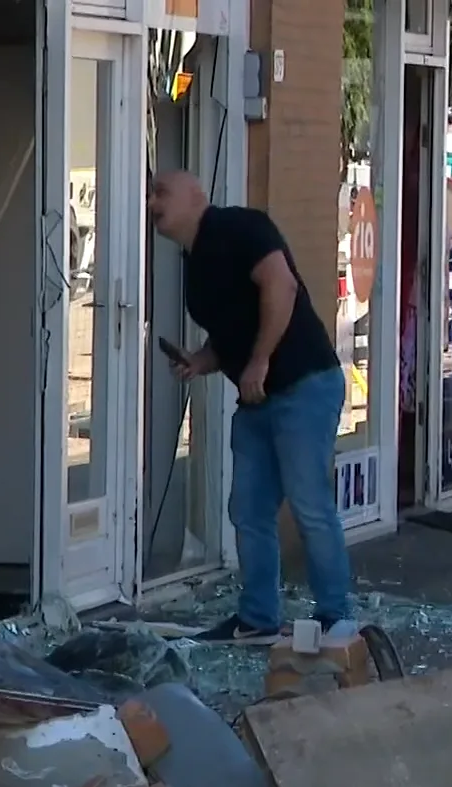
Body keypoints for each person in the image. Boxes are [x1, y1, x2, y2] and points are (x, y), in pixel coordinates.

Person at [146, 170, 355, 645]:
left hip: (304, 386)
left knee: (309, 503)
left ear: (197, 196)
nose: (152, 202)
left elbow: (281, 288)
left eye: (162, 193)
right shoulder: (193, 263)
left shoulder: (241, 227)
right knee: (248, 510)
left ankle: (337, 617)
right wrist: (201, 360)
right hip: (257, 400)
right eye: (151, 194)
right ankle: (258, 617)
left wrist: (259, 361)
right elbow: (233, 328)